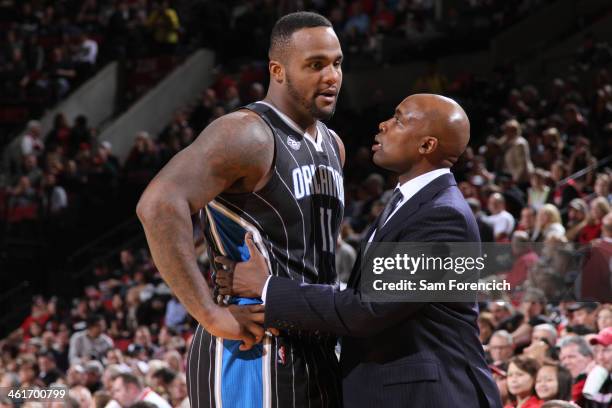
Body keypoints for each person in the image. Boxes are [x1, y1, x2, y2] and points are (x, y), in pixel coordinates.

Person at [217, 94, 502, 407]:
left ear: (426, 146)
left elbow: (368, 309)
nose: (383, 125)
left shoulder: (443, 215)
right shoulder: (413, 204)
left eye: (399, 119)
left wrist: (267, 287)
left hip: (430, 396)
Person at [136, 11, 345, 408]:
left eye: (336, 63)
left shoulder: (333, 145)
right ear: (278, 70)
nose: (331, 76)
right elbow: (159, 205)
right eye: (315, 65)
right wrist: (211, 315)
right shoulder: (246, 133)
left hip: (316, 341)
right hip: (254, 345)